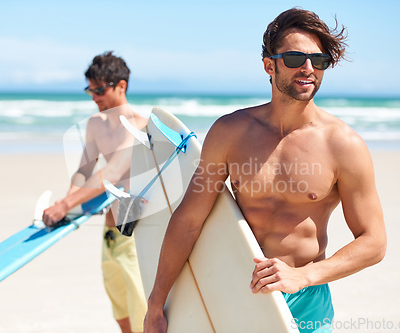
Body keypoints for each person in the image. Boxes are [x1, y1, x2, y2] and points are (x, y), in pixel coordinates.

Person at [143, 8, 386, 333]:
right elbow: (189, 219)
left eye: (319, 60)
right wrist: (156, 303)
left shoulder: (343, 145)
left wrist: (304, 276)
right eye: (295, 57)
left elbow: (374, 241)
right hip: (235, 292)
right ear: (269, 65)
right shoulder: (231, 133)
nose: (308, 68)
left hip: (306, 301)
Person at [42, 51, 148, 333]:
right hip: (110, 232)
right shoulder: (95, 125)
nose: (93, 97)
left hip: (136, 230)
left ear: (121, 86)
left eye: (100, 90)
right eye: (90, 89)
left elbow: (113, 172)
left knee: (142, 313)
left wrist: (65, 205)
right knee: (121, 310)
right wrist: (70, 204)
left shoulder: (138, 125)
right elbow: (84, 171)